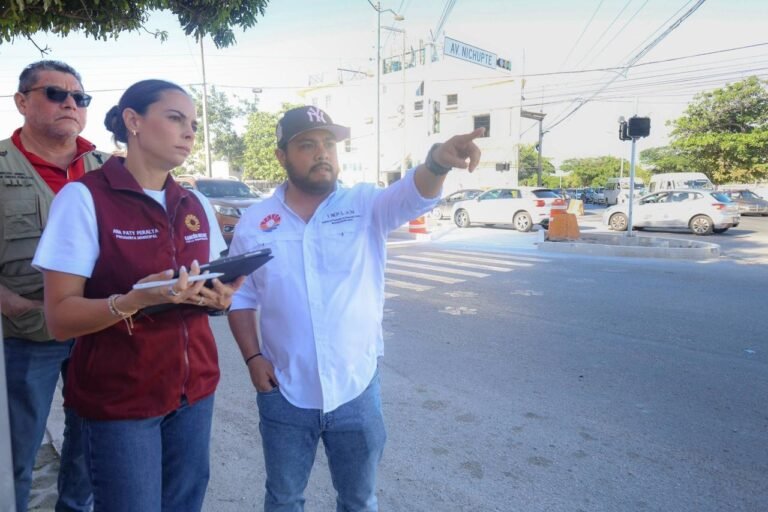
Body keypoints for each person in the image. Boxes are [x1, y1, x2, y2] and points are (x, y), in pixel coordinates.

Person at [227, 105, 483, 511]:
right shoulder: (257, 222)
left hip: (356, 389)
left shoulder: (364, 205)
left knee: (359, 500)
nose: (322, 153)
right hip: (285, 390)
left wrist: (436, 162)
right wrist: (252, 356)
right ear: (282, 156)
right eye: (307, 145)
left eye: (328, 143)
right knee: (283, 499)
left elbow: (413, 194)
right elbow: (241, 295)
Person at [32, 79, 243, 512]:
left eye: (193, 123)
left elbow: (207, 287)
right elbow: (59, 318)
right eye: (175, 118)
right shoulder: (84, 199)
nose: (189, 132)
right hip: (120, 401)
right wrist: (135, 300)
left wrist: (220, 299)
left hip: (195, 393)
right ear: (133, 122)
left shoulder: (194, 202)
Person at [1, 59, 107, 512]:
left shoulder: (109, 170)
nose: (70, 103)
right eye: (55, 94)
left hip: (97, 332)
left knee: (89, 451)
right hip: (26, 333)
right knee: (15, 454)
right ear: (22, 101)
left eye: (79, 97)